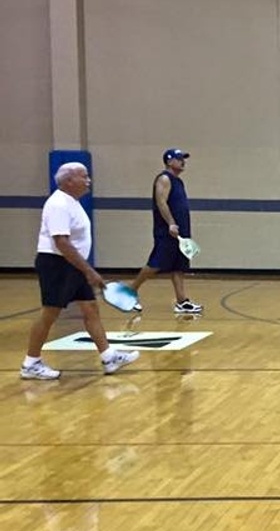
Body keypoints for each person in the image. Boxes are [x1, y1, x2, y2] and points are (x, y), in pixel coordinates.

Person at [21, 163, 140, 379]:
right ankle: (31, 363)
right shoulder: (58, 204)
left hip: (72, 265)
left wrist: (83, 269)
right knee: (50, 314)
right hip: (57, 265)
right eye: (84, 177)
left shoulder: (72, 202)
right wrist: (89, 271)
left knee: (91, 308)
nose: (89, 180)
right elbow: (61, 243)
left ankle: (108, 356)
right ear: (68, 181)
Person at [128, 148, 202, 314]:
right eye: (179, 158)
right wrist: (171, 223)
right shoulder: (164, 179)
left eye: (183, 158)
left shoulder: (178, 181)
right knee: (156, 263)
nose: (183, 161)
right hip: (168, 230)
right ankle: (130, 292)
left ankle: (182, 301)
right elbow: (162, 202)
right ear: (169, 161)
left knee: (178, 266)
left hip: (180, 230)